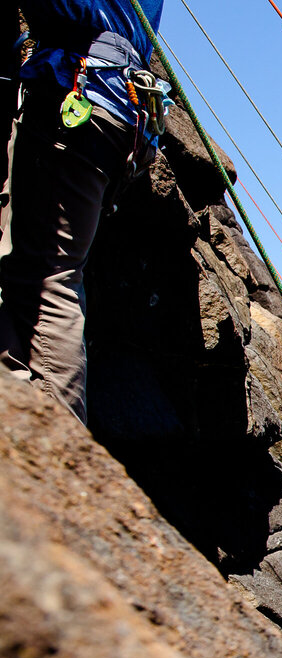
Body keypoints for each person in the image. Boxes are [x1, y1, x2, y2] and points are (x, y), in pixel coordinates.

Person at [0, 0, 169, 423]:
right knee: (58, 274)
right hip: (118, 111)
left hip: (79, 91)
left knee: (45, 276)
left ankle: (56, 446)